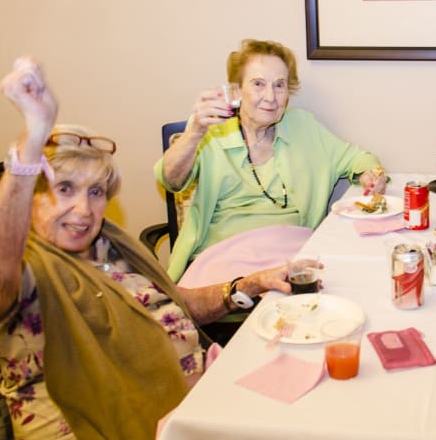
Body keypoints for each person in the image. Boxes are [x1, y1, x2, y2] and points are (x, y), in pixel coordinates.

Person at [0, 57, 306, 440]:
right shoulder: (26, 267)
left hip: (195, 396)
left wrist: (251, 283)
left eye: (95, 193)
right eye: (65, 189)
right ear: (31, 198)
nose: (83, 210)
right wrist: (32, 141)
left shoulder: (108, 245)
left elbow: (181, 304)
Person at [156, 39, 386, 281]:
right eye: (258, 84)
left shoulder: (303, 126)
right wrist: (194, 133)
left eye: (279, 85)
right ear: (237, 89)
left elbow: (359, 158)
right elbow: (171, 180)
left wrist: (370, 174)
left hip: (291, 257)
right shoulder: (211, 134)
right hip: (225, 263)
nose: (270, 97)